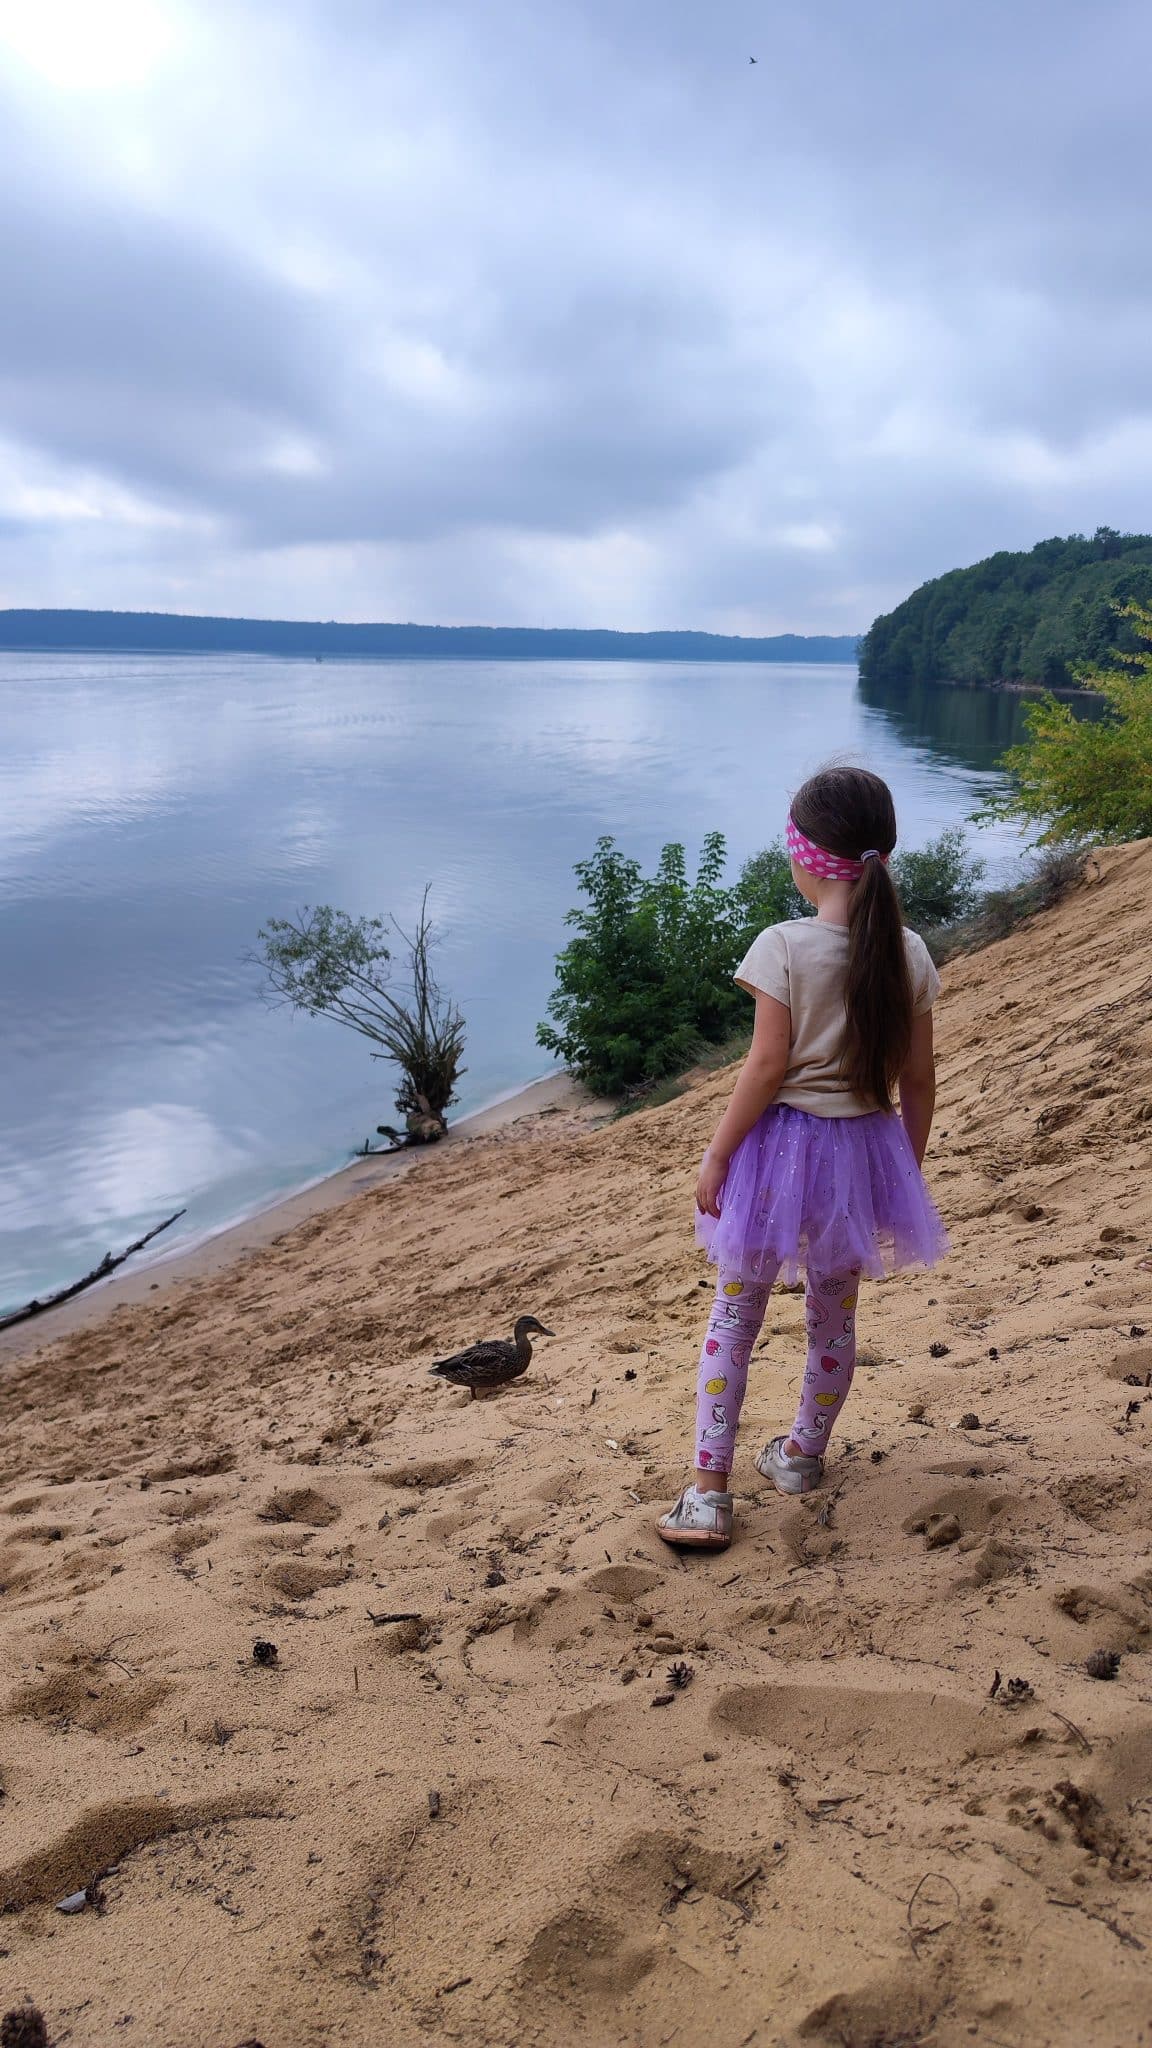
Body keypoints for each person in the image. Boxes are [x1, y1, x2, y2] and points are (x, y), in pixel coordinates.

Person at [657, 766, 949, 1552]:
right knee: (832, 1319)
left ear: (806, 857)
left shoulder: (783, 945)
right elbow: (919, 1081)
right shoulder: (909, 952)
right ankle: (799, 1457)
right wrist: (905, 1171)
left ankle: (708, 1494)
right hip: (860, 1155)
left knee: (735, 1316)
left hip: (778, 1155)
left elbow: (764, 1068)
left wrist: (717, 1155)